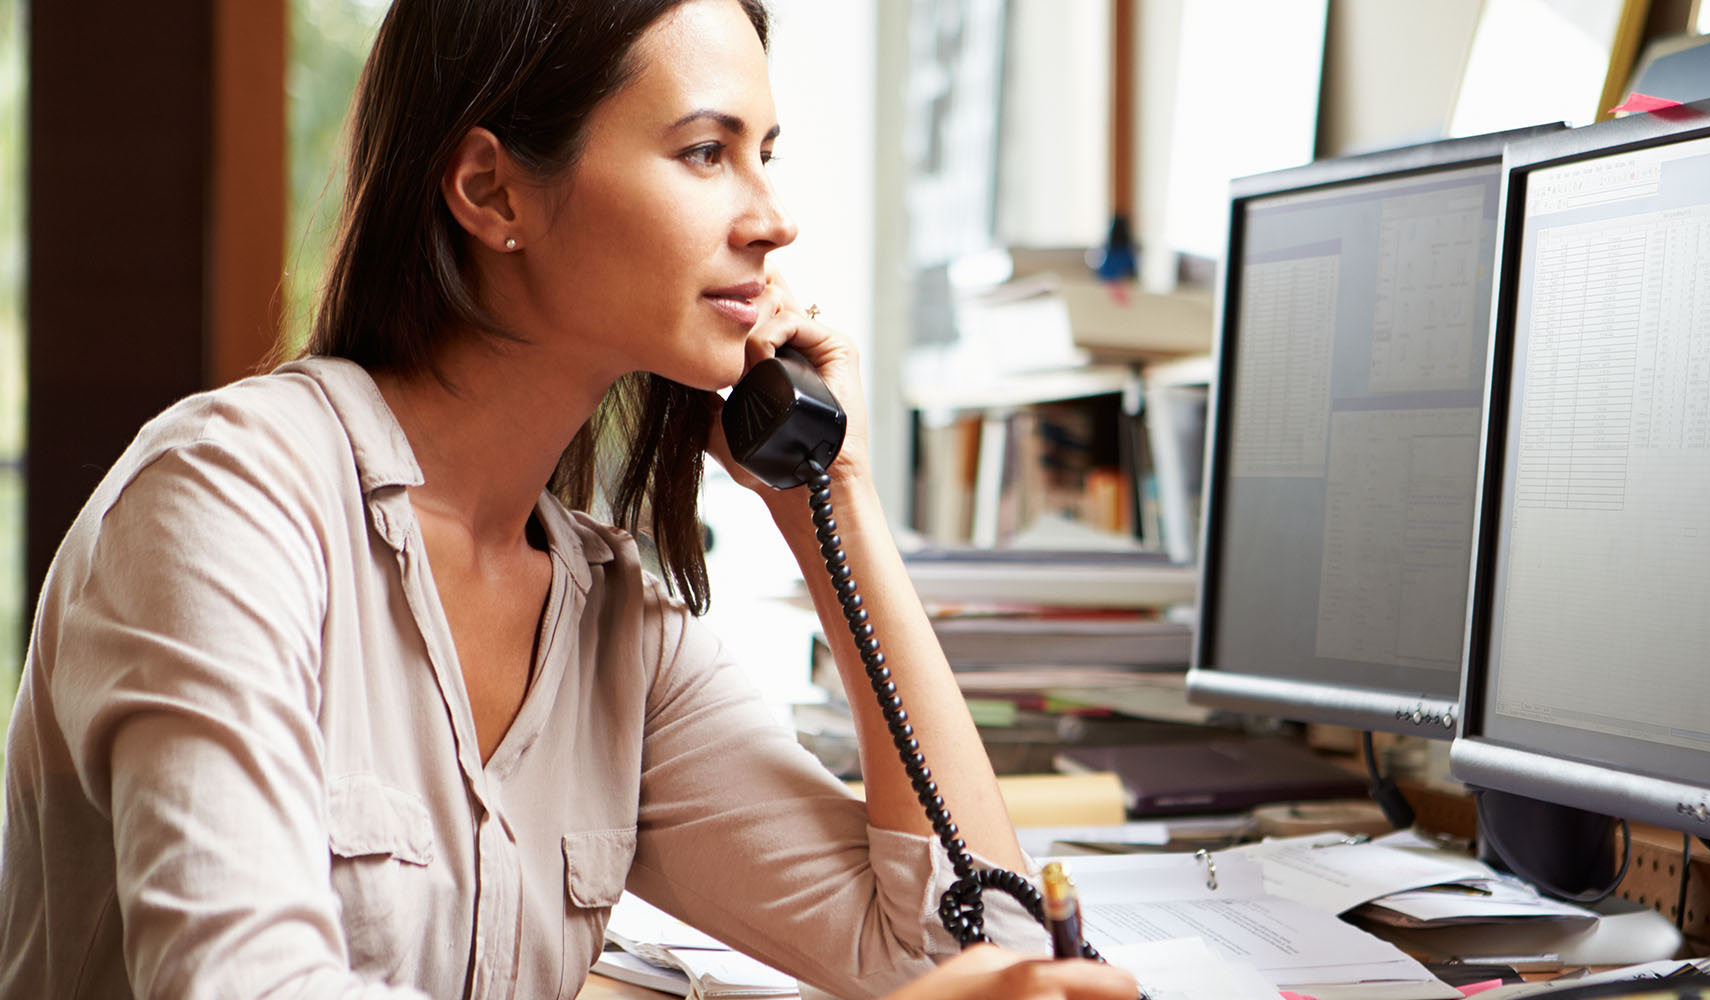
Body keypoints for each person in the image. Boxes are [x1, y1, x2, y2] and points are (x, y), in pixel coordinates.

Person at [0, 1, 1138, 998]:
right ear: (492, 188)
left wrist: (833, 501)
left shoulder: (611, 627)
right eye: (705, 152)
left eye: (767, 153)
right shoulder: (224, 500)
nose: (771, 217)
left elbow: (973, 947)